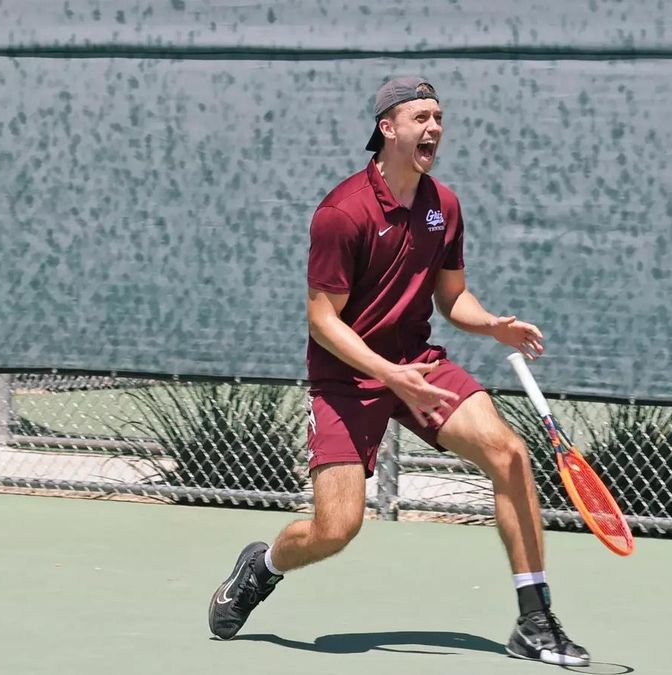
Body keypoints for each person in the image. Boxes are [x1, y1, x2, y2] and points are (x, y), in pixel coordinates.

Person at [207, 75, 590, 666]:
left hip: (418, 365)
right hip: (346, 379)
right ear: (388, 129)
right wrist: (386, 372)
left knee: (508, 453)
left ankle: (534, 621)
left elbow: (451, 297)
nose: (433, 127)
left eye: (438, 117)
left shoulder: (445, 205)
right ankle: (263, 567)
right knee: (337, 527)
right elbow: (322, 321)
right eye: (420, 118)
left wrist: (491, 325)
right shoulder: (342, 212)